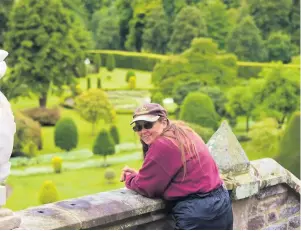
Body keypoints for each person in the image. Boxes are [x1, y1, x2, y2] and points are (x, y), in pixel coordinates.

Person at [120, 103, 233, 230]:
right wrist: (142, 175)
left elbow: (146, 187)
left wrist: (130, 178)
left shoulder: (163, 144)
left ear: (163, 122)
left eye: (148, 125)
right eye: (138, 127)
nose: (143, 131)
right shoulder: (182, 131)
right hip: (221, 203)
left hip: (198, 211)